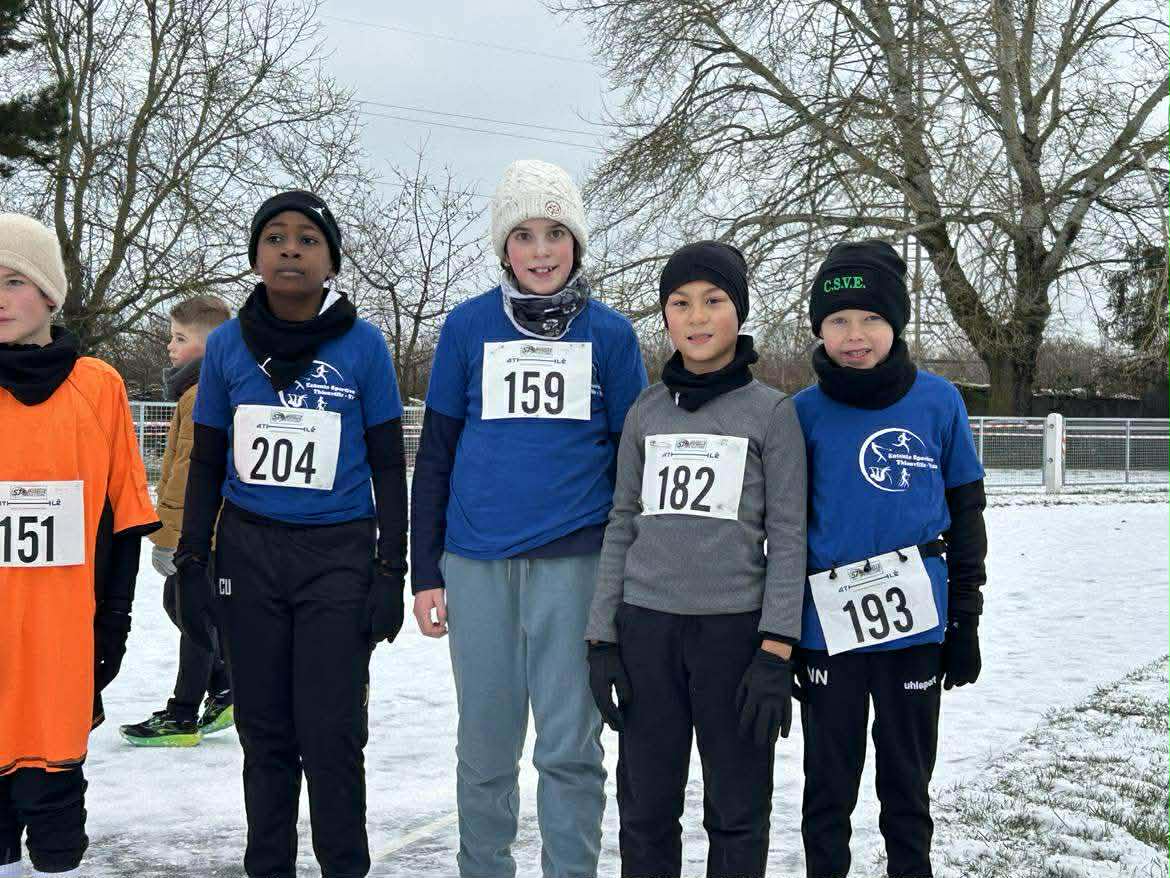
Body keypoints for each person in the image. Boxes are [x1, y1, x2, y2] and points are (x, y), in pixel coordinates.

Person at [410, 159, 647, 878]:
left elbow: (632, 467)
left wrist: (624, 576)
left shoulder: (611, 336)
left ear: (576, 243)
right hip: (476, 564)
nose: (541, 251)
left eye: (555, 233)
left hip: (576, 565)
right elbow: (438, 455)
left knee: (569, 749)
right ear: (504, 247)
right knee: (485, 746)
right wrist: (425, 572)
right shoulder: (467, 327)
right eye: (524, 235)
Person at [174, 191, 408, 878]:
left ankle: (344, 865)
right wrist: (192, 558)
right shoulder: (226, 346)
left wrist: (390, 569)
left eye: (308, 239)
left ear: (331, 260)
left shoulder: (364, 346)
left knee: (332, 733)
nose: (290, 250)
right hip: (249, 553)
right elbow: (207, 460)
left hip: (337, 553)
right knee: (265, 732)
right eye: (274, 237)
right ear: (255, 256)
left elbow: (389, 465)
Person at [585, 241, 807, 878]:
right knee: (645, 809)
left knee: (737, 811)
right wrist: (601, 637)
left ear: (739, 311)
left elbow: (789, 535)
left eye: (713, 300)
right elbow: (622, 520)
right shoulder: (646, 411)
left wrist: (776, 649)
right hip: (647, 630)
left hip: (733, 636)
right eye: (680, 303)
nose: (697, 316)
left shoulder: (772, 413)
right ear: (665, 316)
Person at [792, 239, 988, 878]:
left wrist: (965, 619)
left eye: (872, 318)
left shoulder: (939, 401)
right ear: (819, 328)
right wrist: (783, 634)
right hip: (827, 632)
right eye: (839, 320)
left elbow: (967, 516)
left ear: (896, 322)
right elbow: (785, 533)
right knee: (829, 788)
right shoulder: (800, 414)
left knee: (907, 785)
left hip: (916, 630)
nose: (855, 335)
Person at [0, 213, 159, 876]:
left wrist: (114, 620)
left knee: (54, 801)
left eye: (12, 280)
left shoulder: (98, 386)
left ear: (49, 293)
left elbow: (124, 517)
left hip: (63, 632)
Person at [120, 295, 234, 747]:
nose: (170, 346)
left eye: (180, 338)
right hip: (204, 530)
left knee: (193, 616)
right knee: (184, 608)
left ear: (211, 345)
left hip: (199, 534)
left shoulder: (204, 392)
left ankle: (183, 714)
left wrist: (170, 538)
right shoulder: (198, 391)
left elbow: (189, 473)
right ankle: (225, 686)